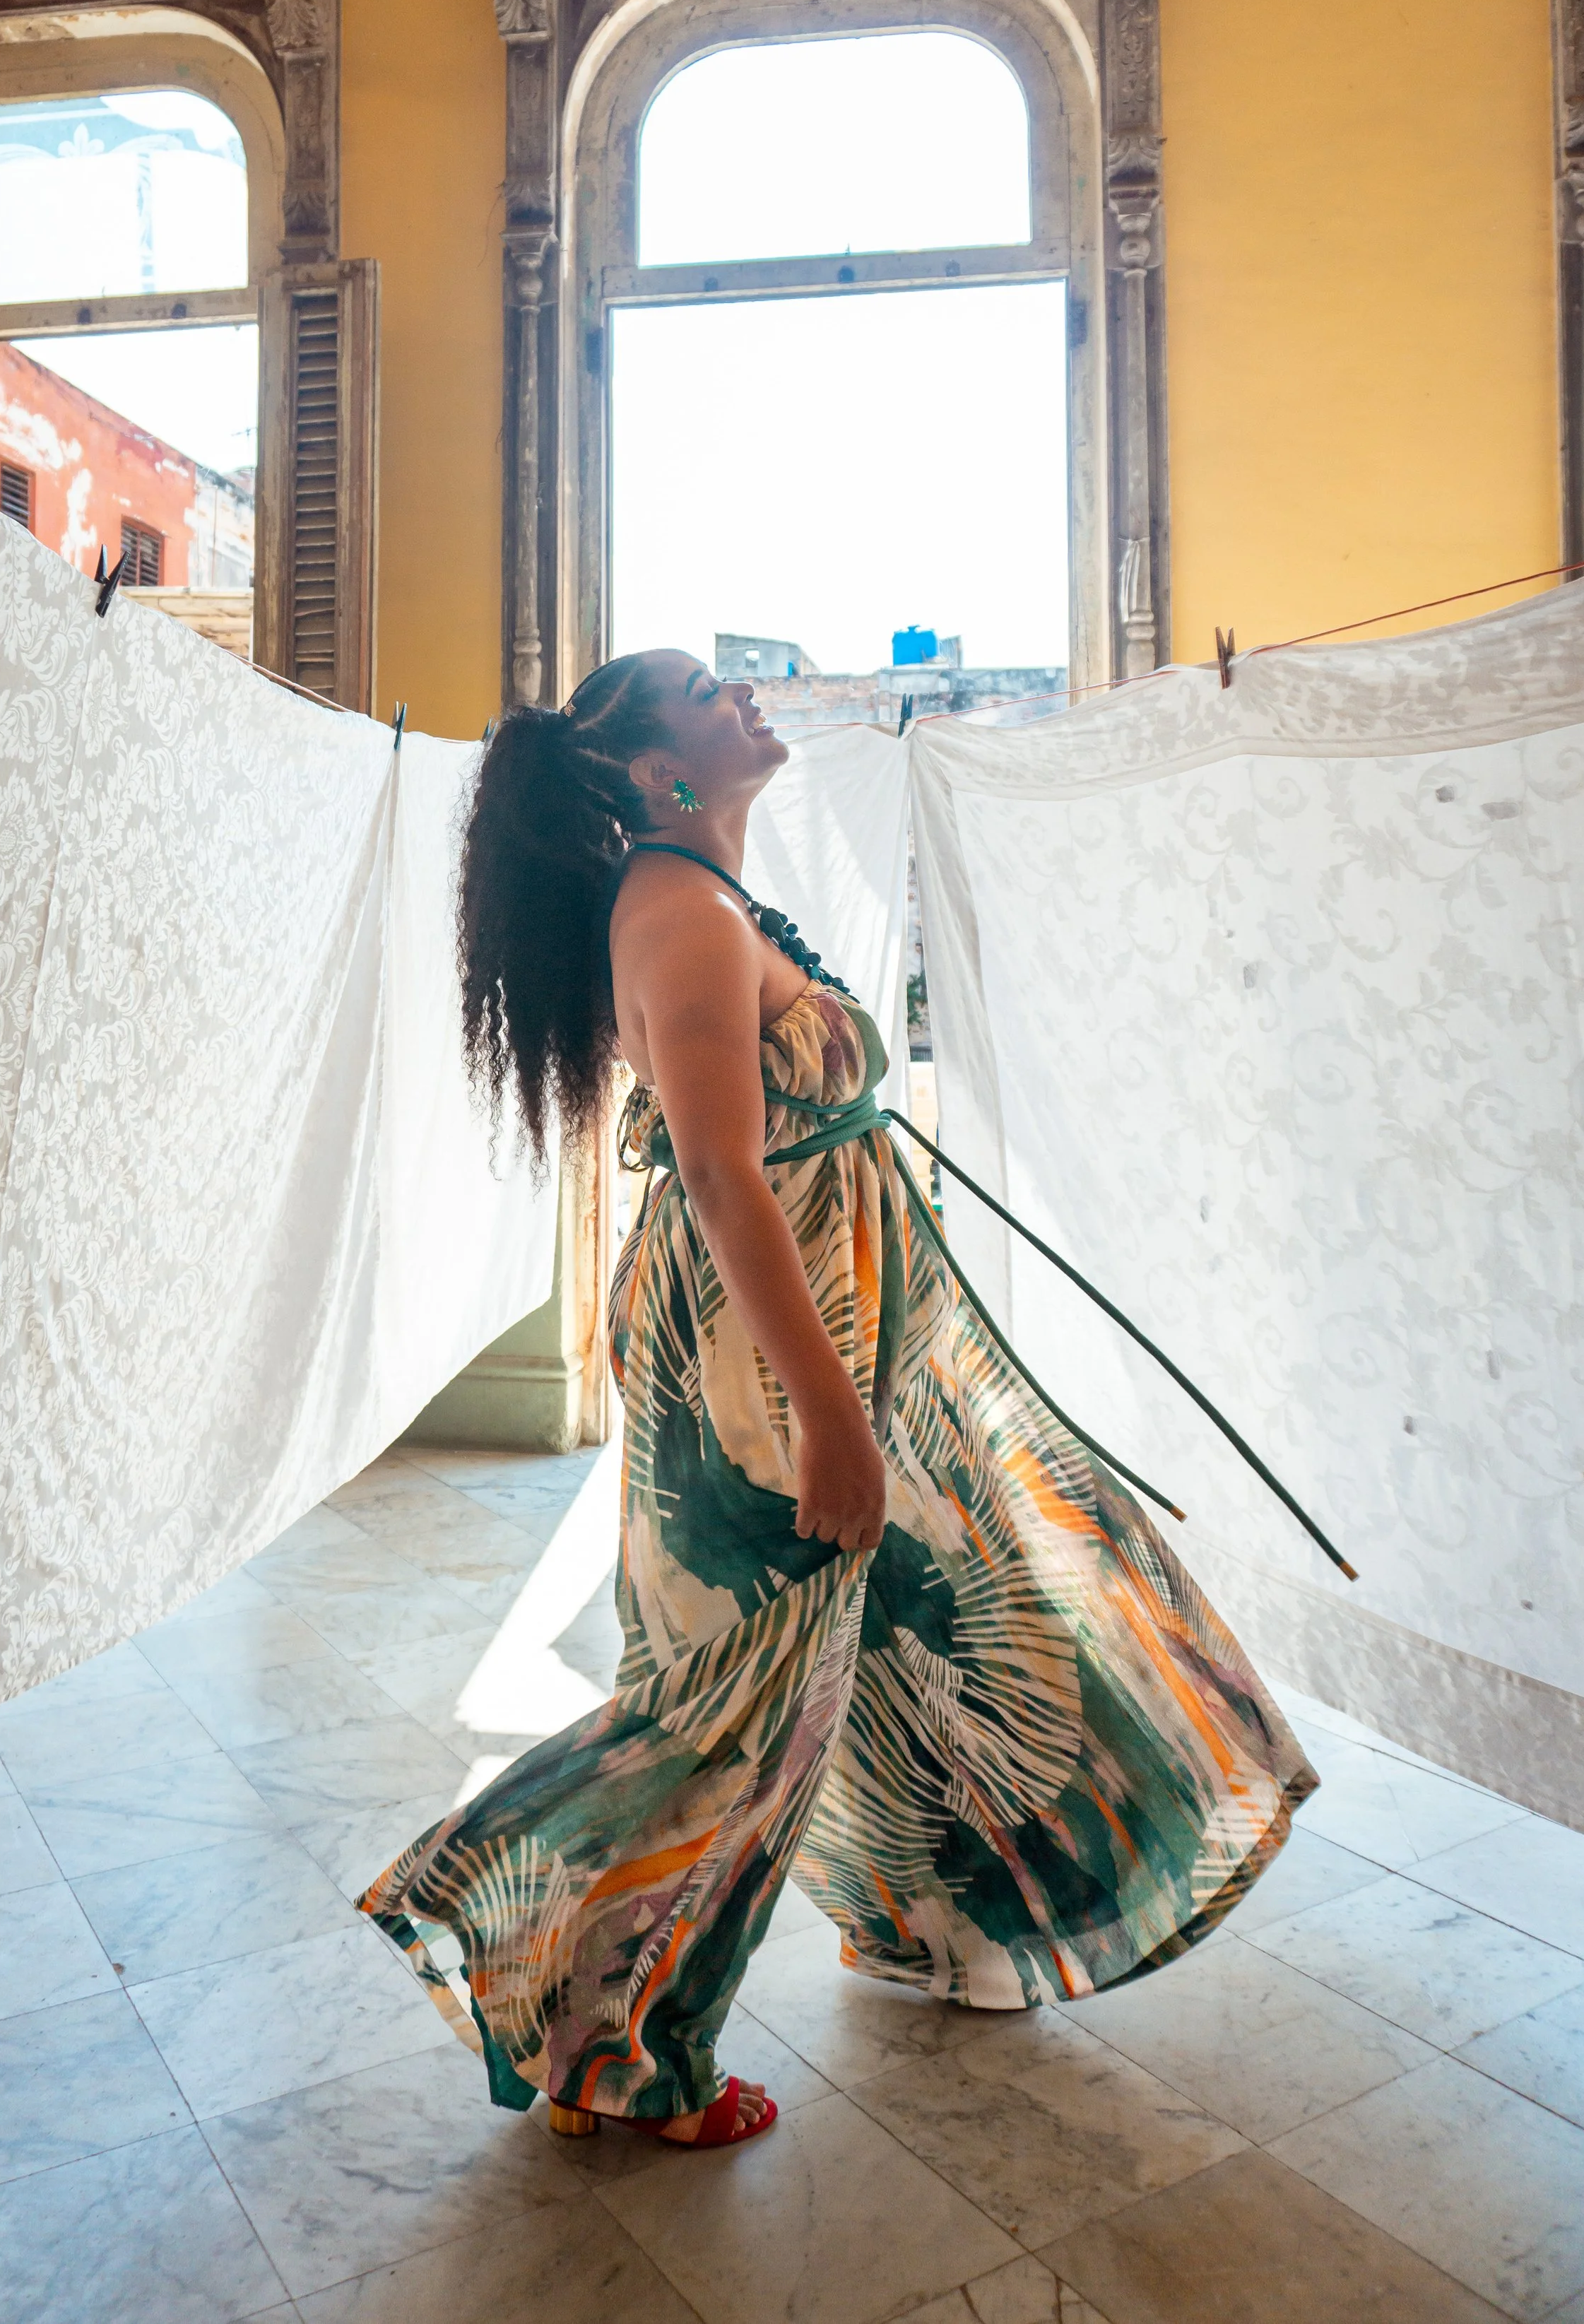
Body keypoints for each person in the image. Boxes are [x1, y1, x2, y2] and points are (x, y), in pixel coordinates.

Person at [357, 649, 1315, 2152]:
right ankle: (594, 2027)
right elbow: (728, 1179)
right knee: (740, 1700)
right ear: (652, 766)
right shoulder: (674, 913)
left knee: (910, 1628)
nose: (741, 692)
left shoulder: (714, 895)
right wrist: (829, 1420)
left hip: (826, 1342)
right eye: (701, 687)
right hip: (762, 1367)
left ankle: (941, 1921)